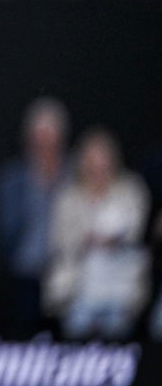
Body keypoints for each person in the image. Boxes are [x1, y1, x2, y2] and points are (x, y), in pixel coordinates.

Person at [43, 127, 151, 340]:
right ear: (82, 162)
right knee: (77, 333)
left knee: (116, 337)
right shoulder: (69, 196)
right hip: (79, 285)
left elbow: (137, 228)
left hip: (121, 285)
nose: (98, 166)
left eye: (103, 159)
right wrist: (85, 239)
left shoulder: (130, 189)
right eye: (92, 160)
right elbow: (58, 240)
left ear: (113, 160)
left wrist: (114, 239)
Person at [0, 97, 70, 337]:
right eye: (39, 135)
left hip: (67, 271)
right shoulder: (13, 177)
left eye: (50, 135)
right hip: (26, 270)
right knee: (25, 334)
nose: (44, 142)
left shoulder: (74, 173)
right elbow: (5, 226)